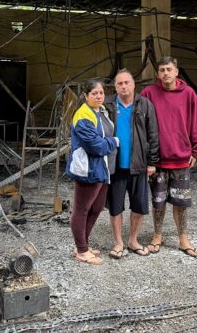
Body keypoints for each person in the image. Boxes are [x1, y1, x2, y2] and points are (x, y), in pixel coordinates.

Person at [141, 56, 197, 257]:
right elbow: (139, 124)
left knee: (180, 202)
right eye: (162, 70)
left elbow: (196, 122)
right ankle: (157, 236)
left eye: (169, 69)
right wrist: (144, 154)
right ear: (158, 73)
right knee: (158, 201)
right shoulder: (148, 93)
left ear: (176, 71)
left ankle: (183, 239)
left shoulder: (188, 94)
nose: (165, 73)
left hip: (180, 158)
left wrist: (196, 150)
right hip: (157, 159)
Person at [104, 69, 159, 259]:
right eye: (120, 83)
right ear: (115, 86)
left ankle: (133, 240)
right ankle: (118, 242)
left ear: (134, 84)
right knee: (115, 206)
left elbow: (153, 135)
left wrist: (152, 162)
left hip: (139, 164)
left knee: (138, 205)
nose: (124, 86)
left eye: (127, 82)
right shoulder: (108, 105)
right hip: (115, 166)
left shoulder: (145, 104)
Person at [66, 79, 119, 265]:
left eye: (101, 93)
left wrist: (108, 142)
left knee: (96, 208)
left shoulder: (101, 111)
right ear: (86, 95)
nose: (98, 96)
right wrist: (114, 142)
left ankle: (83, 245)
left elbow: (103, 138)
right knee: (81, 209)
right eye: (94, 93)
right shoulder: (83, 116)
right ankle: (81, 251)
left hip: (102, 168)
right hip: (88, 169)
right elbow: (96, 146)